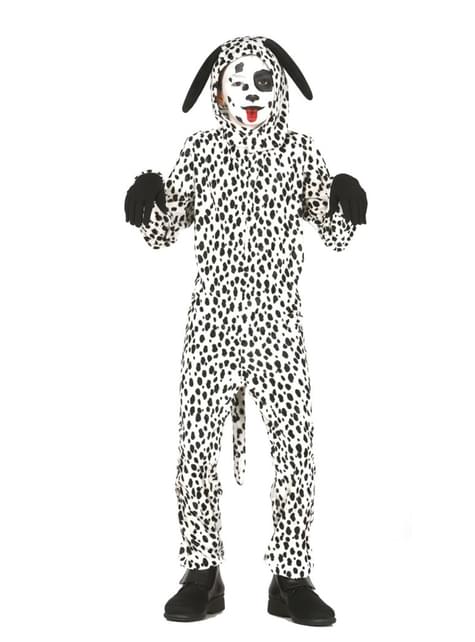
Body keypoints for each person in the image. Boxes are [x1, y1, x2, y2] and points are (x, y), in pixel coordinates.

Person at [124, 35, 367, 626]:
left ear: (278, 88)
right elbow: (162, 234)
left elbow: (334, 235)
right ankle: (201, 571)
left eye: (262, 81)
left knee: (296, 446)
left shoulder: (300, 151)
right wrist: (148, 202)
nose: (251, 94)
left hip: (277, 325)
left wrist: (345, 199)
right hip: (211, 324)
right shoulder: (200, 151)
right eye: (239, 82)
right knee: (195, 445)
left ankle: (291, 577)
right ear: (218, 91)